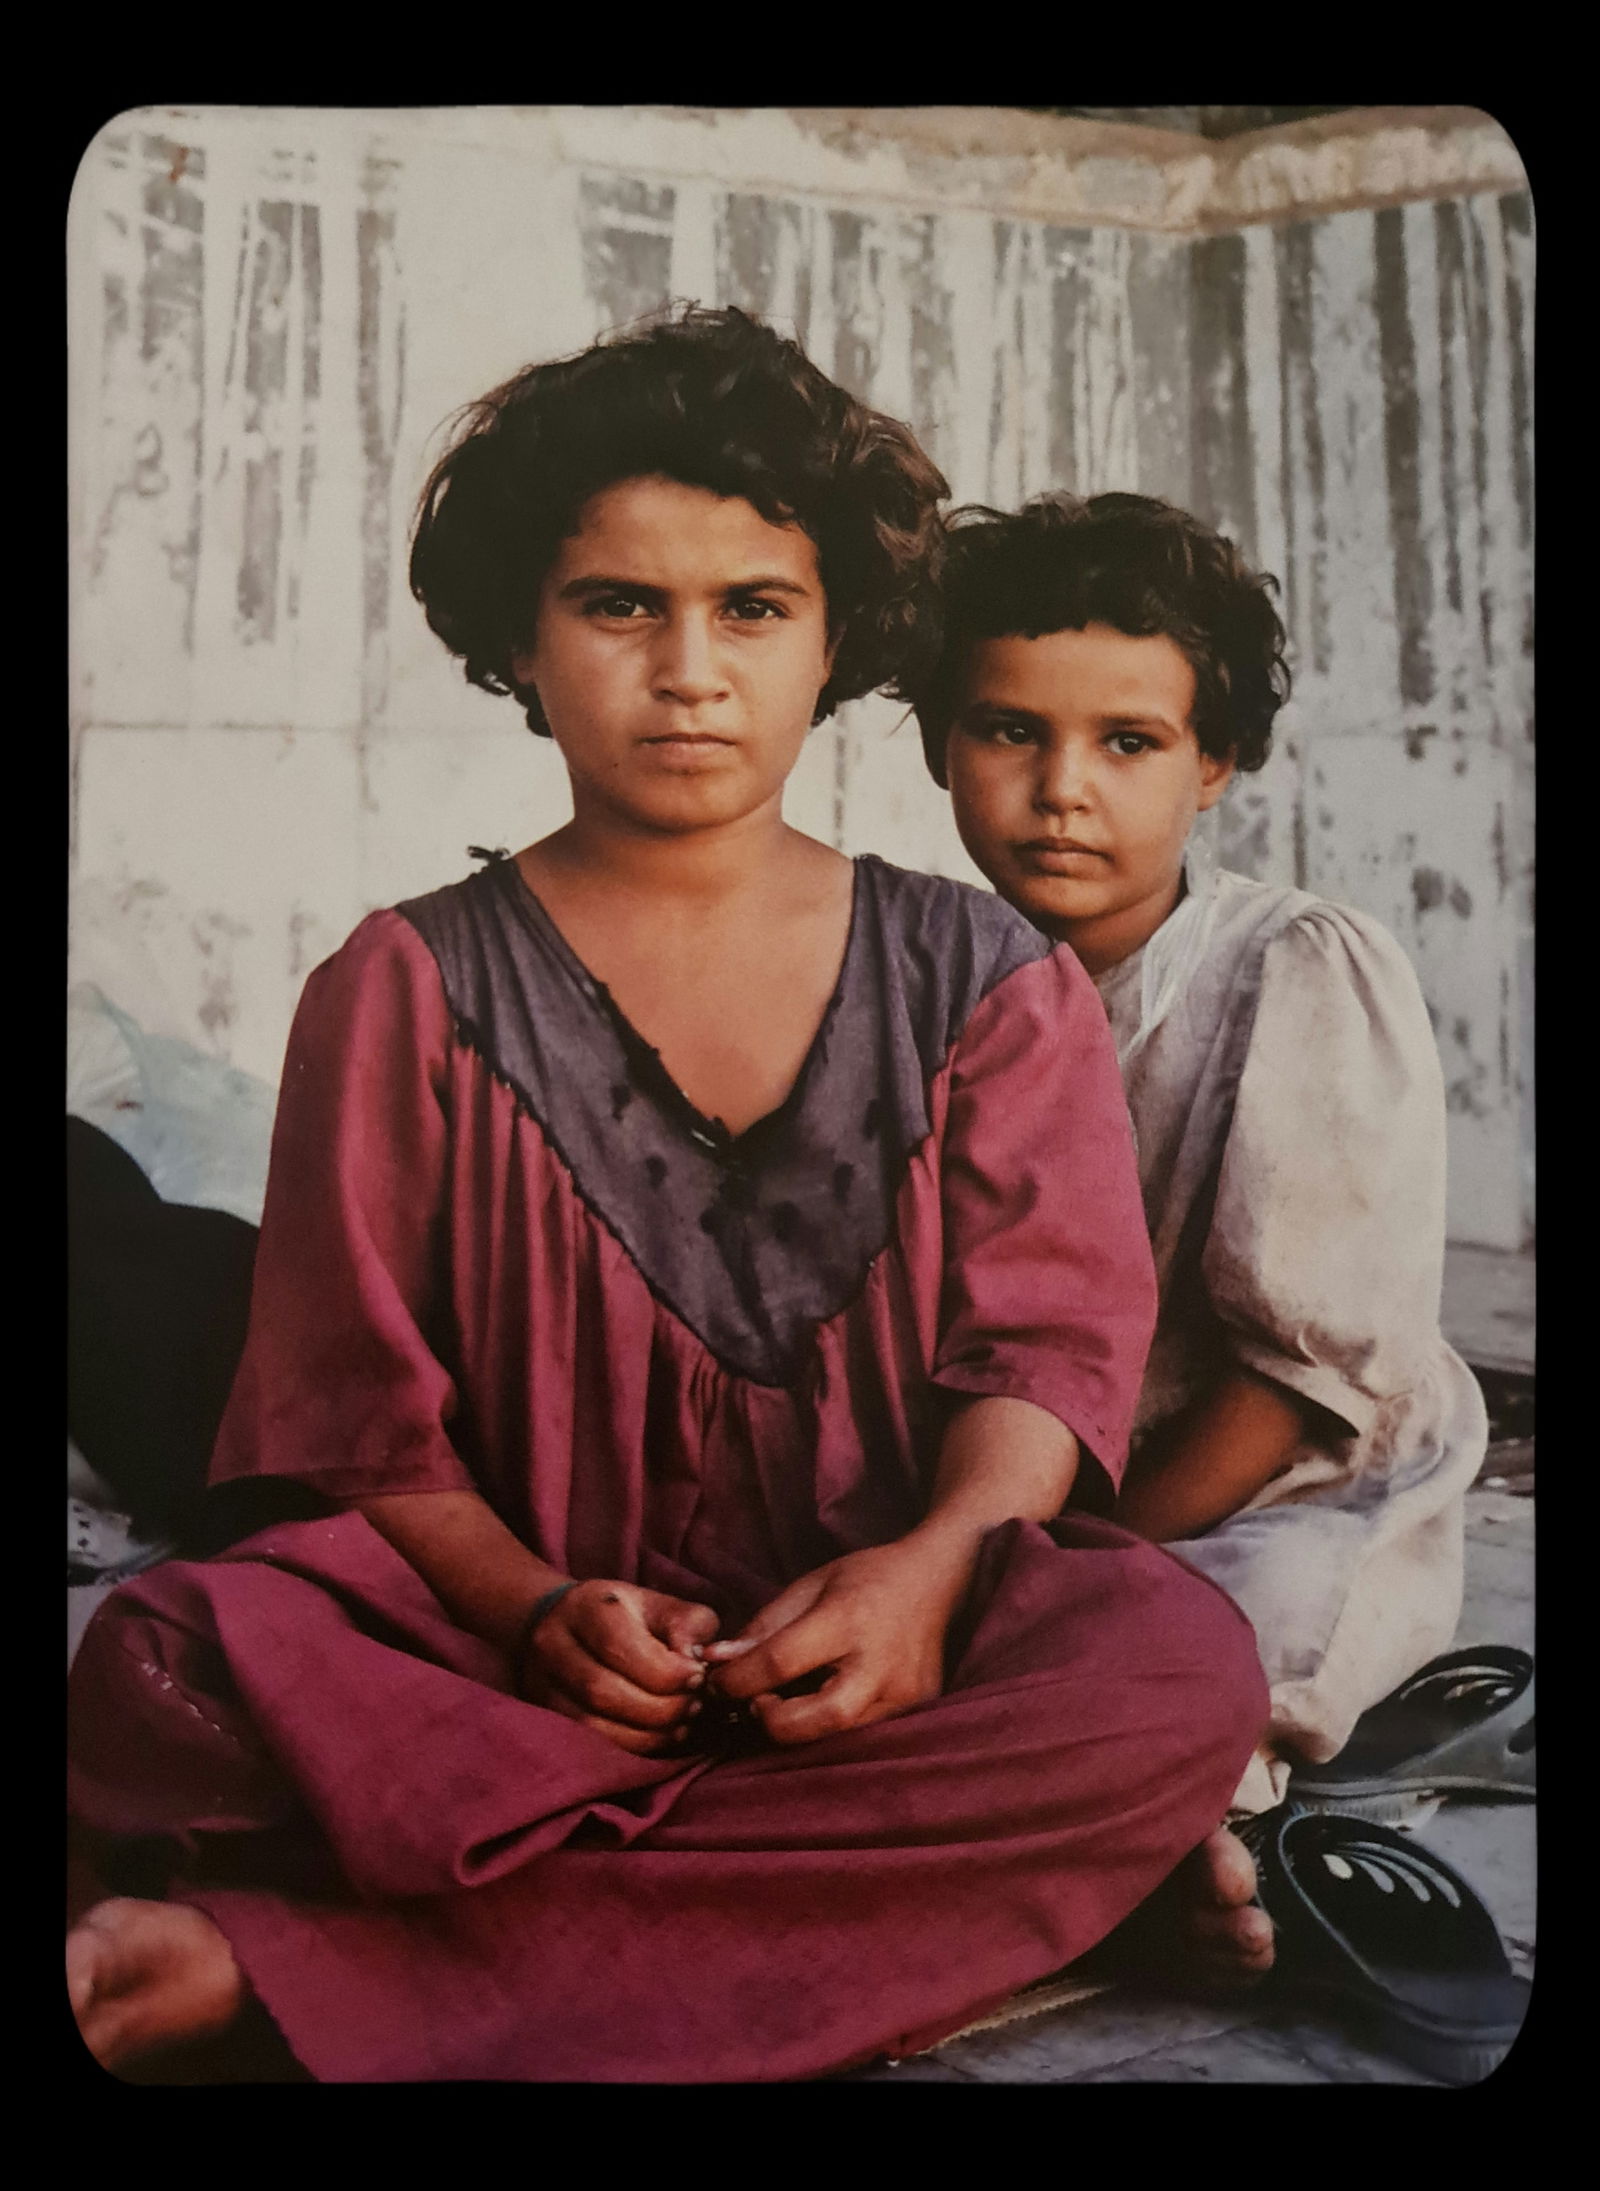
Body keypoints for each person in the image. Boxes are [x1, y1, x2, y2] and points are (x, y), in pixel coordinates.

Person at [66, 315, 1268, 2084]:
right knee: (167, 1661)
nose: (689, 669)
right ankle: (949, 1899)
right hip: (519, 1662)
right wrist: (532, 1609)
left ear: (837, 637)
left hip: (882, 1657)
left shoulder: (983, 979)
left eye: (753, 610)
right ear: (521, 642)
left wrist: (928, 1579)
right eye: (620, 606)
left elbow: (1041, 1364)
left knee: (1171, 1670)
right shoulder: (401, 987)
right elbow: (357, 1424)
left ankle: (294, 1973)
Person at [913, 490, 1488, 1825]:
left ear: (1213, 761)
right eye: (1010, 730)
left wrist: (1063, 1558)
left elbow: (1292, 1383)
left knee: (1182, 1678)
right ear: (945, 743)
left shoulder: (1287, 972)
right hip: (1025, 1472)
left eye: (1128, 742)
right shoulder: (918, 970)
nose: (1062, 790)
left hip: (1270, 1480)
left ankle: (1221, 1842)